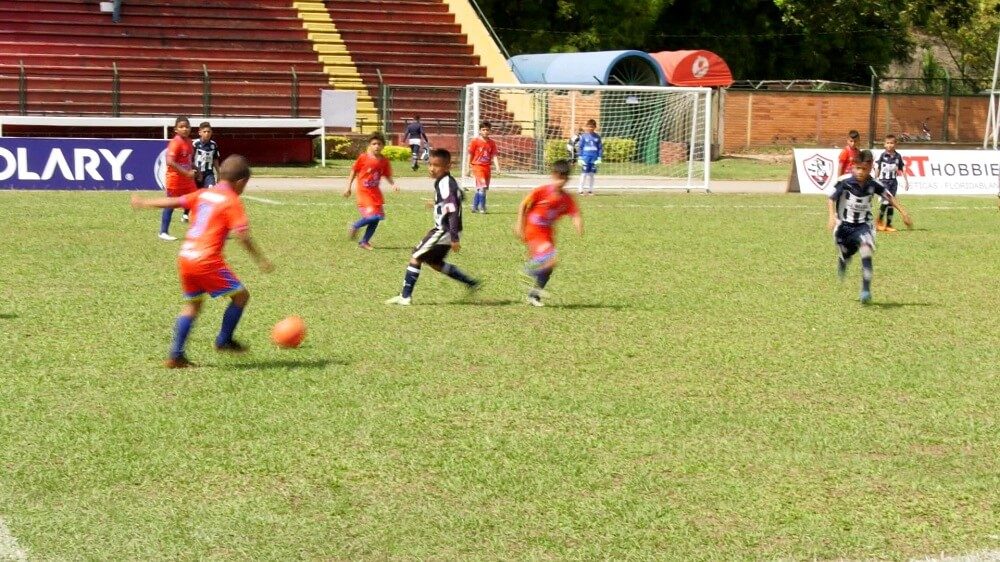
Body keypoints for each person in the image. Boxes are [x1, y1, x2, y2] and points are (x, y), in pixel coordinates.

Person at [130, 155, 274, 368]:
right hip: (207, 260)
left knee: (192, 305)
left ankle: (176, 355)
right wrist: (260, 260)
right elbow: (243, 235)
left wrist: (144, 202)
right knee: (241, 296)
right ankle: (224, 340)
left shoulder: (204, 193)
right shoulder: (232, 201)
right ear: (241, 182)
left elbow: (175, 201)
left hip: (186, 256)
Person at [385, 148, 480, 305]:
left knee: (416, 257)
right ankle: (470, 282)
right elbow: (459, 197)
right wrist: (436, 203)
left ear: (447, 167)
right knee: (435, 263)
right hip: (448, 230)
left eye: (436, 165)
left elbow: (453, 210)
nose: (431, 168)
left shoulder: (445, 184)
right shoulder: (447, 182)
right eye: (430, 164)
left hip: (444, 229)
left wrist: (454, 237)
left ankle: (405, 296)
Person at [827, 150, 912, 304]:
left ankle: (866, 290)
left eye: (864, 169)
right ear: (853, 166)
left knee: (866, 251)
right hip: (844, 227)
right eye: (857, 168)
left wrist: (904, 213)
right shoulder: (844, 182)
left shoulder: (874, 184)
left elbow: (889, 197)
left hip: (863, 226)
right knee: (847, 253)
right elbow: (831, 199)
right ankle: (843, 258)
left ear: (870, 167)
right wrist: (831, 216)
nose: (860, 172)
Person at [515, 160, 583, 307]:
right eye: (558, 178)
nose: (560, 182)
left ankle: (534, 296)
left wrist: (578, 224)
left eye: (563, 179)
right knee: (551, 259)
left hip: (547, 235)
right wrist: (519, 224)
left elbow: (575, 213)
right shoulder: (541, 191)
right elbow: (523, 205)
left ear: (567, 179)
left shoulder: (566, 198)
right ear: (552, 176)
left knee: (549, 269)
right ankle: (527, 270)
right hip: (532, 230)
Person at [344, 132, 398, 250]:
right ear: (369, 145)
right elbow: (354, 171)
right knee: (372, 217)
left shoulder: (384, 161)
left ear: (383, 146)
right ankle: (355, 226)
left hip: (375, 194)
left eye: (379, 144)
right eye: (374, 144)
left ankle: (364, 242)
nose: (376, 146)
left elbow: (387, 175)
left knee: (377, 218)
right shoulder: (363, 157)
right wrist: (348, 187)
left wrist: (393, 184)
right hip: (364, 193)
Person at [160, 116, 197, 241]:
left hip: (187, 181)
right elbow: (170, 161)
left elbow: (187, 160)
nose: (185, 129)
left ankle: (198, 230)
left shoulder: (189, 142)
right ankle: (163, 232)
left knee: (196, 201)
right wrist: (186, 173)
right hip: (175, 180)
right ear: (176, 129)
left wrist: (195, 168)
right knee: (171, 205)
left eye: (187, 127)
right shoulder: (175, 143)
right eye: (181, 127)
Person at [874, 134, 909, 232]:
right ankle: (879, 221)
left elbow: (903, 168)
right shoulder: (882, 155)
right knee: (886, 201)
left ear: (895, 144)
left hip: (893, 183)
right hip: (884, 183)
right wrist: (875, 180)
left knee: (891, 204)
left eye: (892, 143)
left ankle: (888, 224)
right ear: (884, 144)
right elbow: (878, 168)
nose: (889, 145)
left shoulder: (898, 156)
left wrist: (906, 181)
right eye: (888, 143)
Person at [467, 121, 499, 213]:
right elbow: (470, 154)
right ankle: (482, 208)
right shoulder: (475, 141)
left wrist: (497, 167)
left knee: (481, 188)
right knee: (482, 187)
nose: (485, 131)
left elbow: (494, 155)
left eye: (487, 130)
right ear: (480, 131)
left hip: (487, 168)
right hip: (477, 166)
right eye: (483, 130)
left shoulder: (492, 143)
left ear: (490, 131)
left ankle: (474, 207)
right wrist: (468, 168)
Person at [576, 119, 603, 195]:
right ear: (586, 127)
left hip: (593, 159)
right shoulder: (583, 136)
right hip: (585, 158)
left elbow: (600, 148)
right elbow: (580, 147)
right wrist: (580, 157)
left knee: (591, 175)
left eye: (592, 127)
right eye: (589, 127)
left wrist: (599, 157)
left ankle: (590, 190)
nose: (590, 128)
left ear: (595, 127)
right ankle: (580, 190)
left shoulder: (597, 137)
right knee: (584, 174)